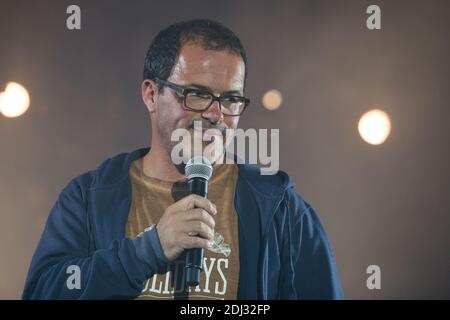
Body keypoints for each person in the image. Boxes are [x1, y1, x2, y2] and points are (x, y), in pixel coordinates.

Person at [22, 19, 343, 300]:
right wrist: (149, 250)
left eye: (230, 99)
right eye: (197, 94)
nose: (215, 114)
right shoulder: (89, 198)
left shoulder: (281, 210)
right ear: (151, 94)